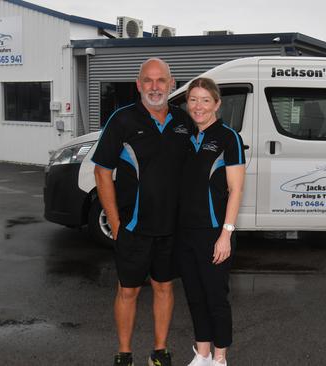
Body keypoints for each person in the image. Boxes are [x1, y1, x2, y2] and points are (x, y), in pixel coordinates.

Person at [92, 58, 191, 366]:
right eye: (148, 81)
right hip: (133, 228)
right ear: (138, 85)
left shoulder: (184, 122)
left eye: (161, 80)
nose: (154, 87)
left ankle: (160, 352)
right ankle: (124, 354)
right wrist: (116, 223)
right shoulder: (122, 120)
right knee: (128, 291)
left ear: (172, 83)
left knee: (165, 287)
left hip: (171, 228)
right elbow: (101, 172)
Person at [176, 78, 246, 366]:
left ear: (217, 103)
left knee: (216, 298)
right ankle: (202, 353)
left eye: (205, 100)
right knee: (194, 295)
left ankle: (219, 358)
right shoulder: (184, 137)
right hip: (184, 232)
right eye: (193, 99)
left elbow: (236, 189)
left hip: (214, 232)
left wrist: (226, 234)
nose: (198, 106)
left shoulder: (229, 138)